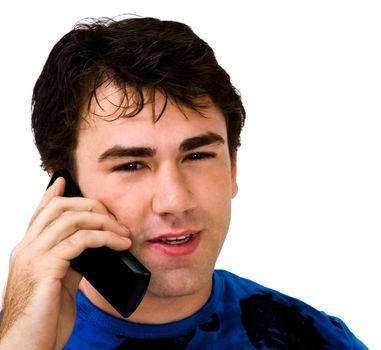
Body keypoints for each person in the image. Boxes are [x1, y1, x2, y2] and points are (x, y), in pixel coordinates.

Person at [0, 16, 368, 349]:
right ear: (64, 188)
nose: (175, 201)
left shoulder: (317, 339)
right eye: (132, 165)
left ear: (233, 169)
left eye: (197, 157)